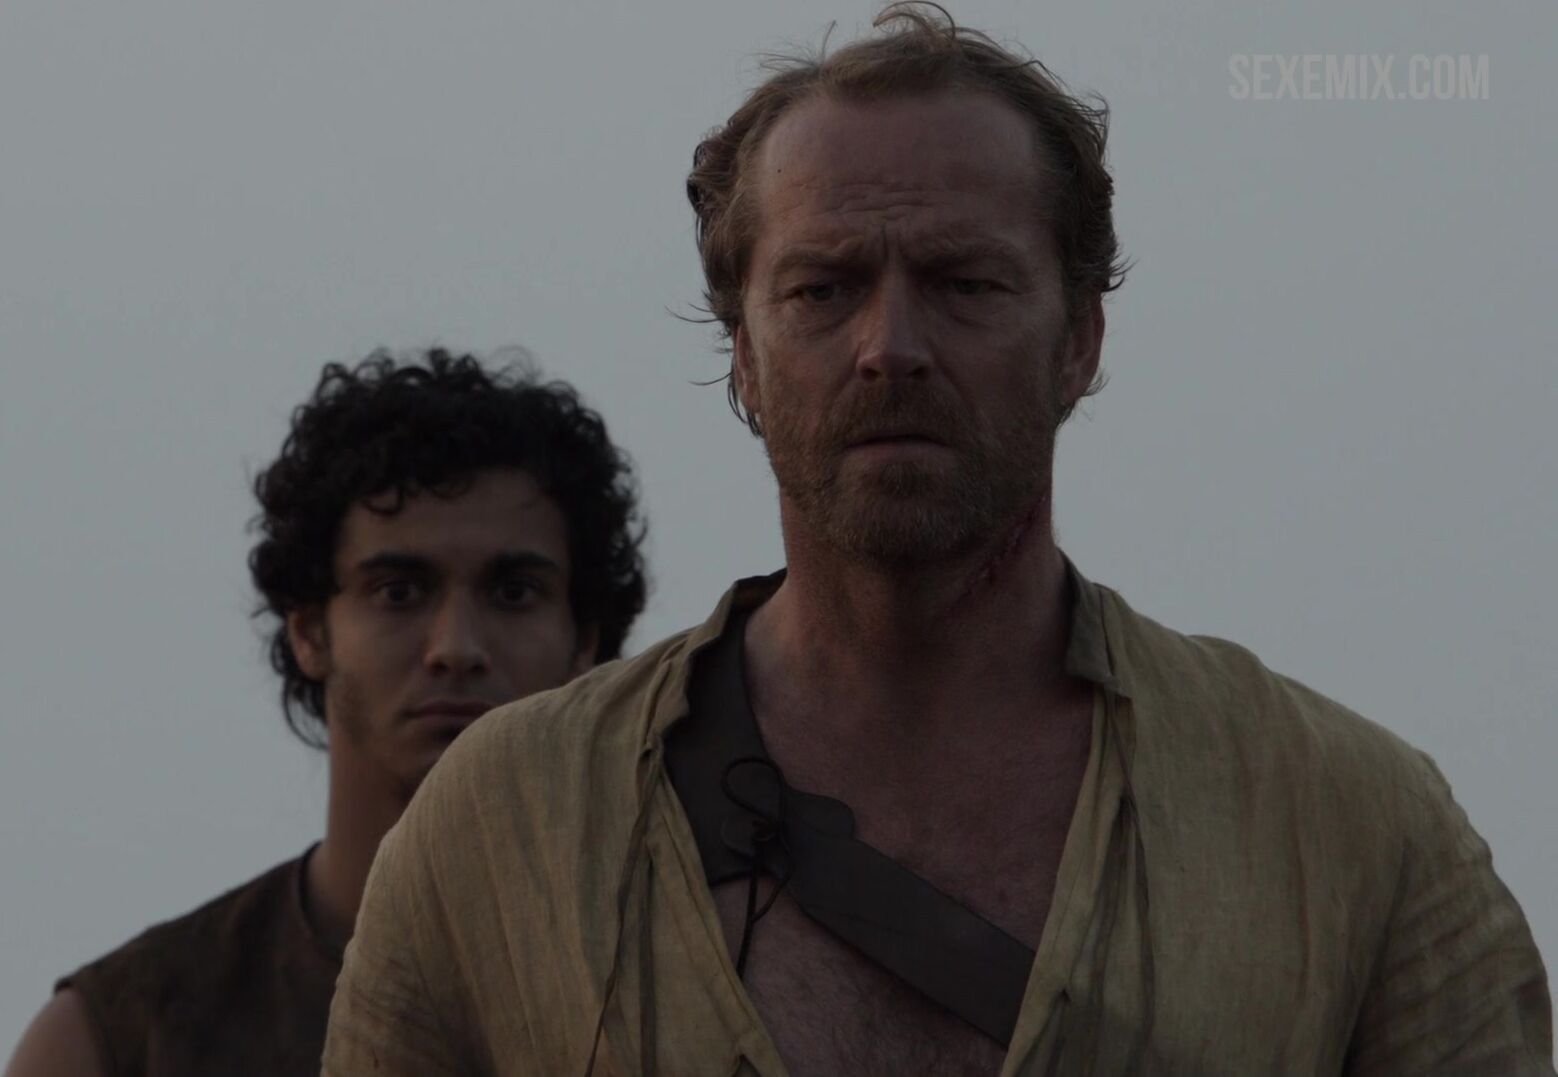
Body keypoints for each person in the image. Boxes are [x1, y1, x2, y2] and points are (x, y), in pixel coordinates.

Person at [323, 8, 1553, 1075]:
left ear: (1080, 340)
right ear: (744, 356)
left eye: (965, 283)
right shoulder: (508, 829)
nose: (890, 348)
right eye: (822, 288)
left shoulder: (1343, 829)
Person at [4, 350, 647, 1077]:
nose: (456, 647)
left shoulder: (693, 977)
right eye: (399, 591)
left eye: (514, 592)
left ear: (583, 639)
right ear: (310, 631)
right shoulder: (121, 1039)